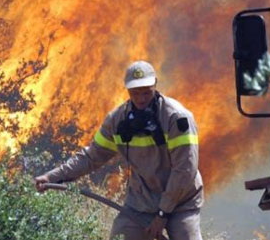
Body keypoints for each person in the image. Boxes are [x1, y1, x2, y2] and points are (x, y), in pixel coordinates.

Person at [34, 60, 203, 240]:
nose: (141, 99)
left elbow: (185, 170)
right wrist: (51, 177)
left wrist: (163, 214)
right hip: (141, 203)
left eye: (146, 92)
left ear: (155, 84)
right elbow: (91, 157)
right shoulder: (116, 121)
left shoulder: (177, 118)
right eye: (135, 92)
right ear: (127, 90)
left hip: (180, 202)